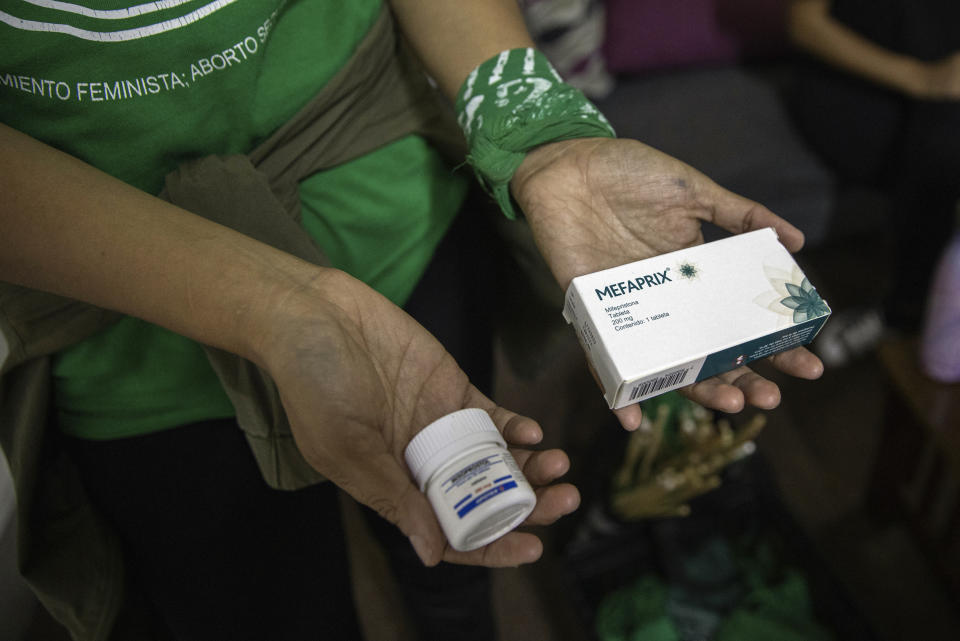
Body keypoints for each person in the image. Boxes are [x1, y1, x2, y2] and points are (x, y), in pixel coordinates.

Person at [0, 0, 823, 639]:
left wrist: (540, 132)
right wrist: (282, 306)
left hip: (395, 210)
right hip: (128, 318)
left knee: (459, 566)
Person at [786, 0, 960, 365]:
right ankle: (903, 310)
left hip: (942, 89)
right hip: (855, 87)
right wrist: (924, 80)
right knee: (942, 144)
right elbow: (804, 24)